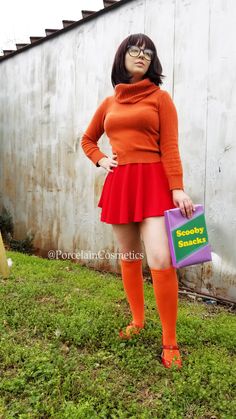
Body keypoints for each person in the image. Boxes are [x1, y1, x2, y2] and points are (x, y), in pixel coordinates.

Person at [81, 33, 195, 369]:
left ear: (152, 61)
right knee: (129, 255)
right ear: (123, 57)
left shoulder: (161, 98)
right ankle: (138, 321)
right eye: (134, 50)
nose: (141, 55)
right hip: (121, 184)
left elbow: (170, 146)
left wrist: (177, 187)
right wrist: (101, 160)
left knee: (160, 259)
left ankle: (170, 341)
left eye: (147, 51)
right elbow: (88, 139)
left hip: (154, 184)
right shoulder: (109, 103)